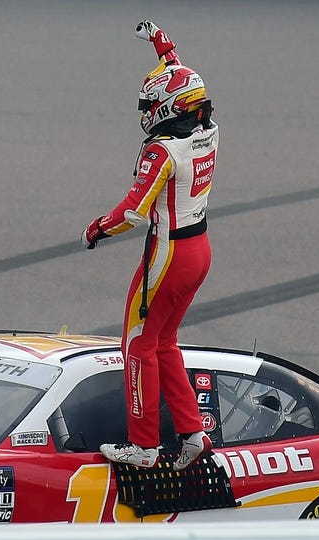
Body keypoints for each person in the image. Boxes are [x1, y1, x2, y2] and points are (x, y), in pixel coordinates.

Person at [80, 19, 219, 470]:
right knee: (165, 341)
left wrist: (98, 227)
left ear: (166, 106)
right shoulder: (205, 126)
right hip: (199, 249)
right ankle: (192, 432)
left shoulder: (162, 150)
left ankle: (143, 447)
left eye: (149, 103)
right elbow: (181, 75)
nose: (145, 109)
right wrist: (162, 45)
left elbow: (133, 211)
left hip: (167, 252)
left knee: (137, 344)